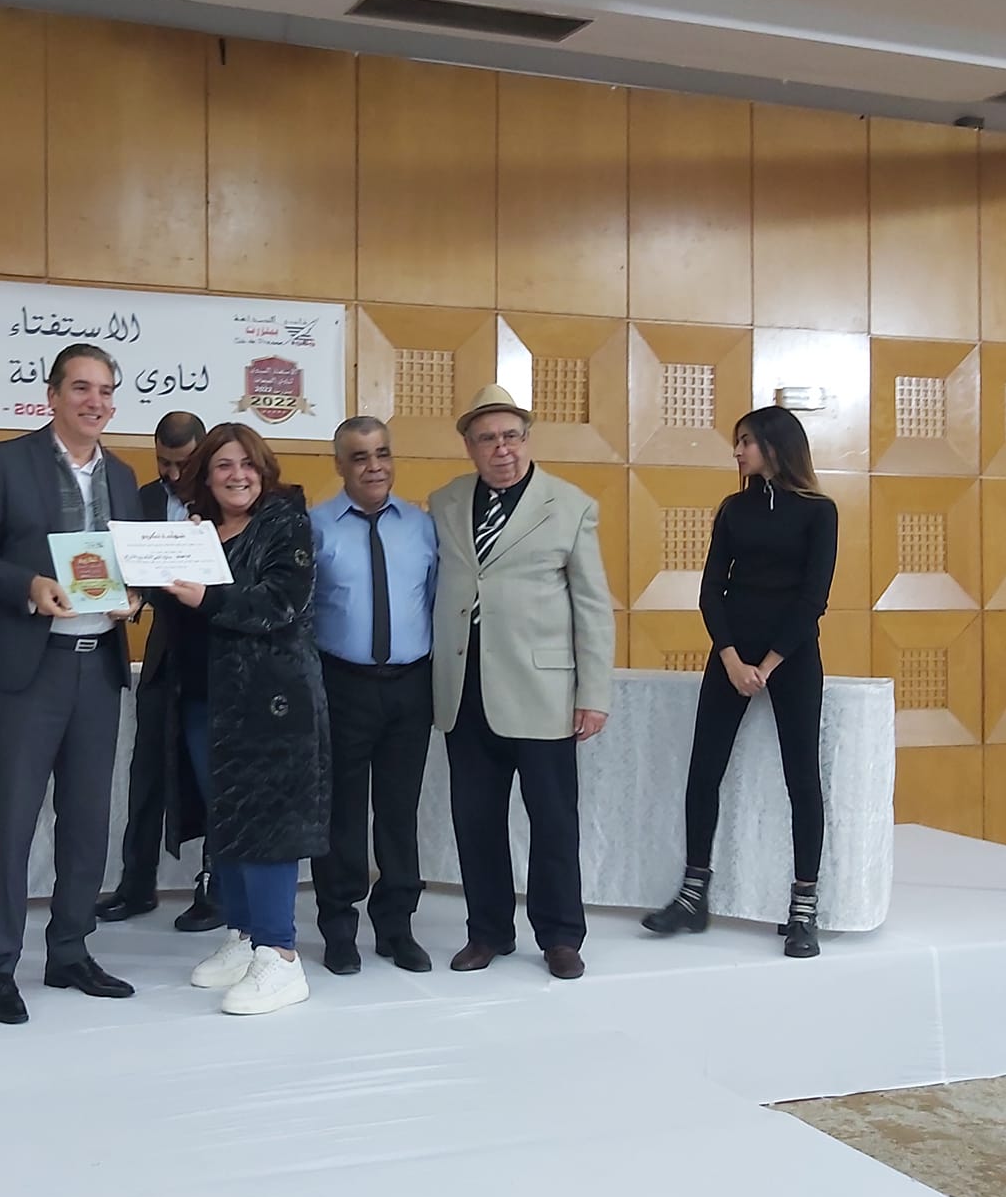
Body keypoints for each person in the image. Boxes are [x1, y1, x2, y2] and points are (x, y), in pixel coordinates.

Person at [0, 343, 142, 1025]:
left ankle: (69, 950)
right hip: (29, 668)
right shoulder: (5, 461)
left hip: (99, 665)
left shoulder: (123, 475)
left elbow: (131, 569)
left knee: (88, 820)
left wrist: (137, 600)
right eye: (81, 388)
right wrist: (28, 586)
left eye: (105, 391)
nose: (95, 402)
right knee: (11, 820)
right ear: (53, 395)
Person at [430, 385, 614, 981]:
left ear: (527, 439)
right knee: (475, 820)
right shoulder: (445, 501)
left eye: (511, 436)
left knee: (553, 822)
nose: (501, 449)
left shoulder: (570, 505)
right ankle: (487, 932)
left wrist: (594, 694)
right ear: (469, 447)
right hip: (465, 690)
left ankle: (560, 936)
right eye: (487, 439)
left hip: (544, 693)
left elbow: (593, 606)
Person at [643, 405, 838, 958]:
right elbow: (711, 590)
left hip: (792, 657)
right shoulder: (733, 509)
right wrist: (731, 658)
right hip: (730, 654)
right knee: (703, 771)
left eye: (746, 441)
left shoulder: (819, 511)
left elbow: (813, 598)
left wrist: (768, 665)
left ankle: (803, 908)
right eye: (738, 441)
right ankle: (693, 895)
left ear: (776, 446)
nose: (737, 451)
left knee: (802, 779)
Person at [157, 424, 331, 1016]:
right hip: (206, 700)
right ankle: (245, 933)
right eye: (224, 466)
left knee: (267, 824)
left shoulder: (286, 523)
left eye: (248, 464)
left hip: (271, 703)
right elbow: (177, 606)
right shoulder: (197, 533)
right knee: (226, 820)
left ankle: (280, 956)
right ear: (204, 476)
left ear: (264, 470)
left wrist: (205, 596)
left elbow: (281, 603)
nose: (238, 475)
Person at [308, 416, 439, 974]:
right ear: (340, 465)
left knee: (399, 811)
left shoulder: (422, 527)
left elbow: (435, 601)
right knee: (339, 814)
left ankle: (396, 926)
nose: (374, 466)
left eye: (382, 453)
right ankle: (339, 928)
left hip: (410, 687)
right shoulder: (314, 527)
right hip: (341, 685)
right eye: (359, 457)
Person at [95, 410, 222, 932]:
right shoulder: (141, 501)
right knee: (145, 772)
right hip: (164, 654)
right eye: (163, 462)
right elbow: (127, 570)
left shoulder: (227, 499)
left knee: (216, 778)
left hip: (219, 658)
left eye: (183, 463)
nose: (172, 474)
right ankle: (136, 883)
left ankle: (216, 889)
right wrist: (127, 596)